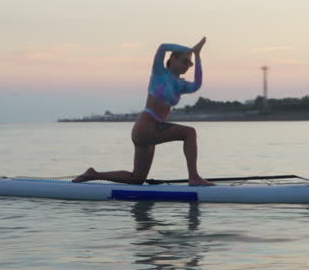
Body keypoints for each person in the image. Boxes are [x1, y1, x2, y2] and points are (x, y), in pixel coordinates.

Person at [74, 37, 214, 186]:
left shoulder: (181, 85)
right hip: (147, 125)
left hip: (152, 130)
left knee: (137, 178)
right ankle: (194, 177)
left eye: (189, 64)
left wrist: (197, 56)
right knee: (189, 133)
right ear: (174, 58)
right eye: (185, 61)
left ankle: (93, 174)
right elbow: (162, 47)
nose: (187, 66)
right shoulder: (159, 72)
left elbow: (197, 85)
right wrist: (189, 49)